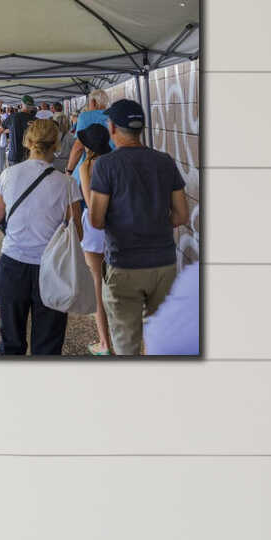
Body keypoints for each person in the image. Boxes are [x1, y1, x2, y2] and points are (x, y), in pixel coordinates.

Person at [85, 97, 191, 356]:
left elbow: (96, 221)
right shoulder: (165, 161)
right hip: (164, 264)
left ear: (112, 129)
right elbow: (181, 216)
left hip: (124, 265)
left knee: (126, 346)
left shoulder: (106, 165)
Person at [0, 118, 76, 356]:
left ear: (28, 142)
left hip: (13, 265)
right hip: (51, 268)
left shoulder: (8, 175)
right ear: (56, 145)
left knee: (11, 341)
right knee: (48, 345)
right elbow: (77, 231)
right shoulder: (66, 183)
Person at [72, 121, 115, 355]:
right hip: (119, 226)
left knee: (97, 286)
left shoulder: (86, 166)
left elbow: (89, 202)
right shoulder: (114, 161)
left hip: (95, 230)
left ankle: (105, 343)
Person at [66, 88, 111, 175]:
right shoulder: (113, 115)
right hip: (112, 166)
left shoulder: (85, 116)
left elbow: (78, 147)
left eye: (89, 102)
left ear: (93, 102)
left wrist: (69, 170)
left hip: (90, 169)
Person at [2, 99, 34, 167]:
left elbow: (0, 130)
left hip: (14, 154)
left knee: (14, 176)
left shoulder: (13, 116)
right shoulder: (35, 120)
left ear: (21, 105)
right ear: (32, 107)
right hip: (29, 154)